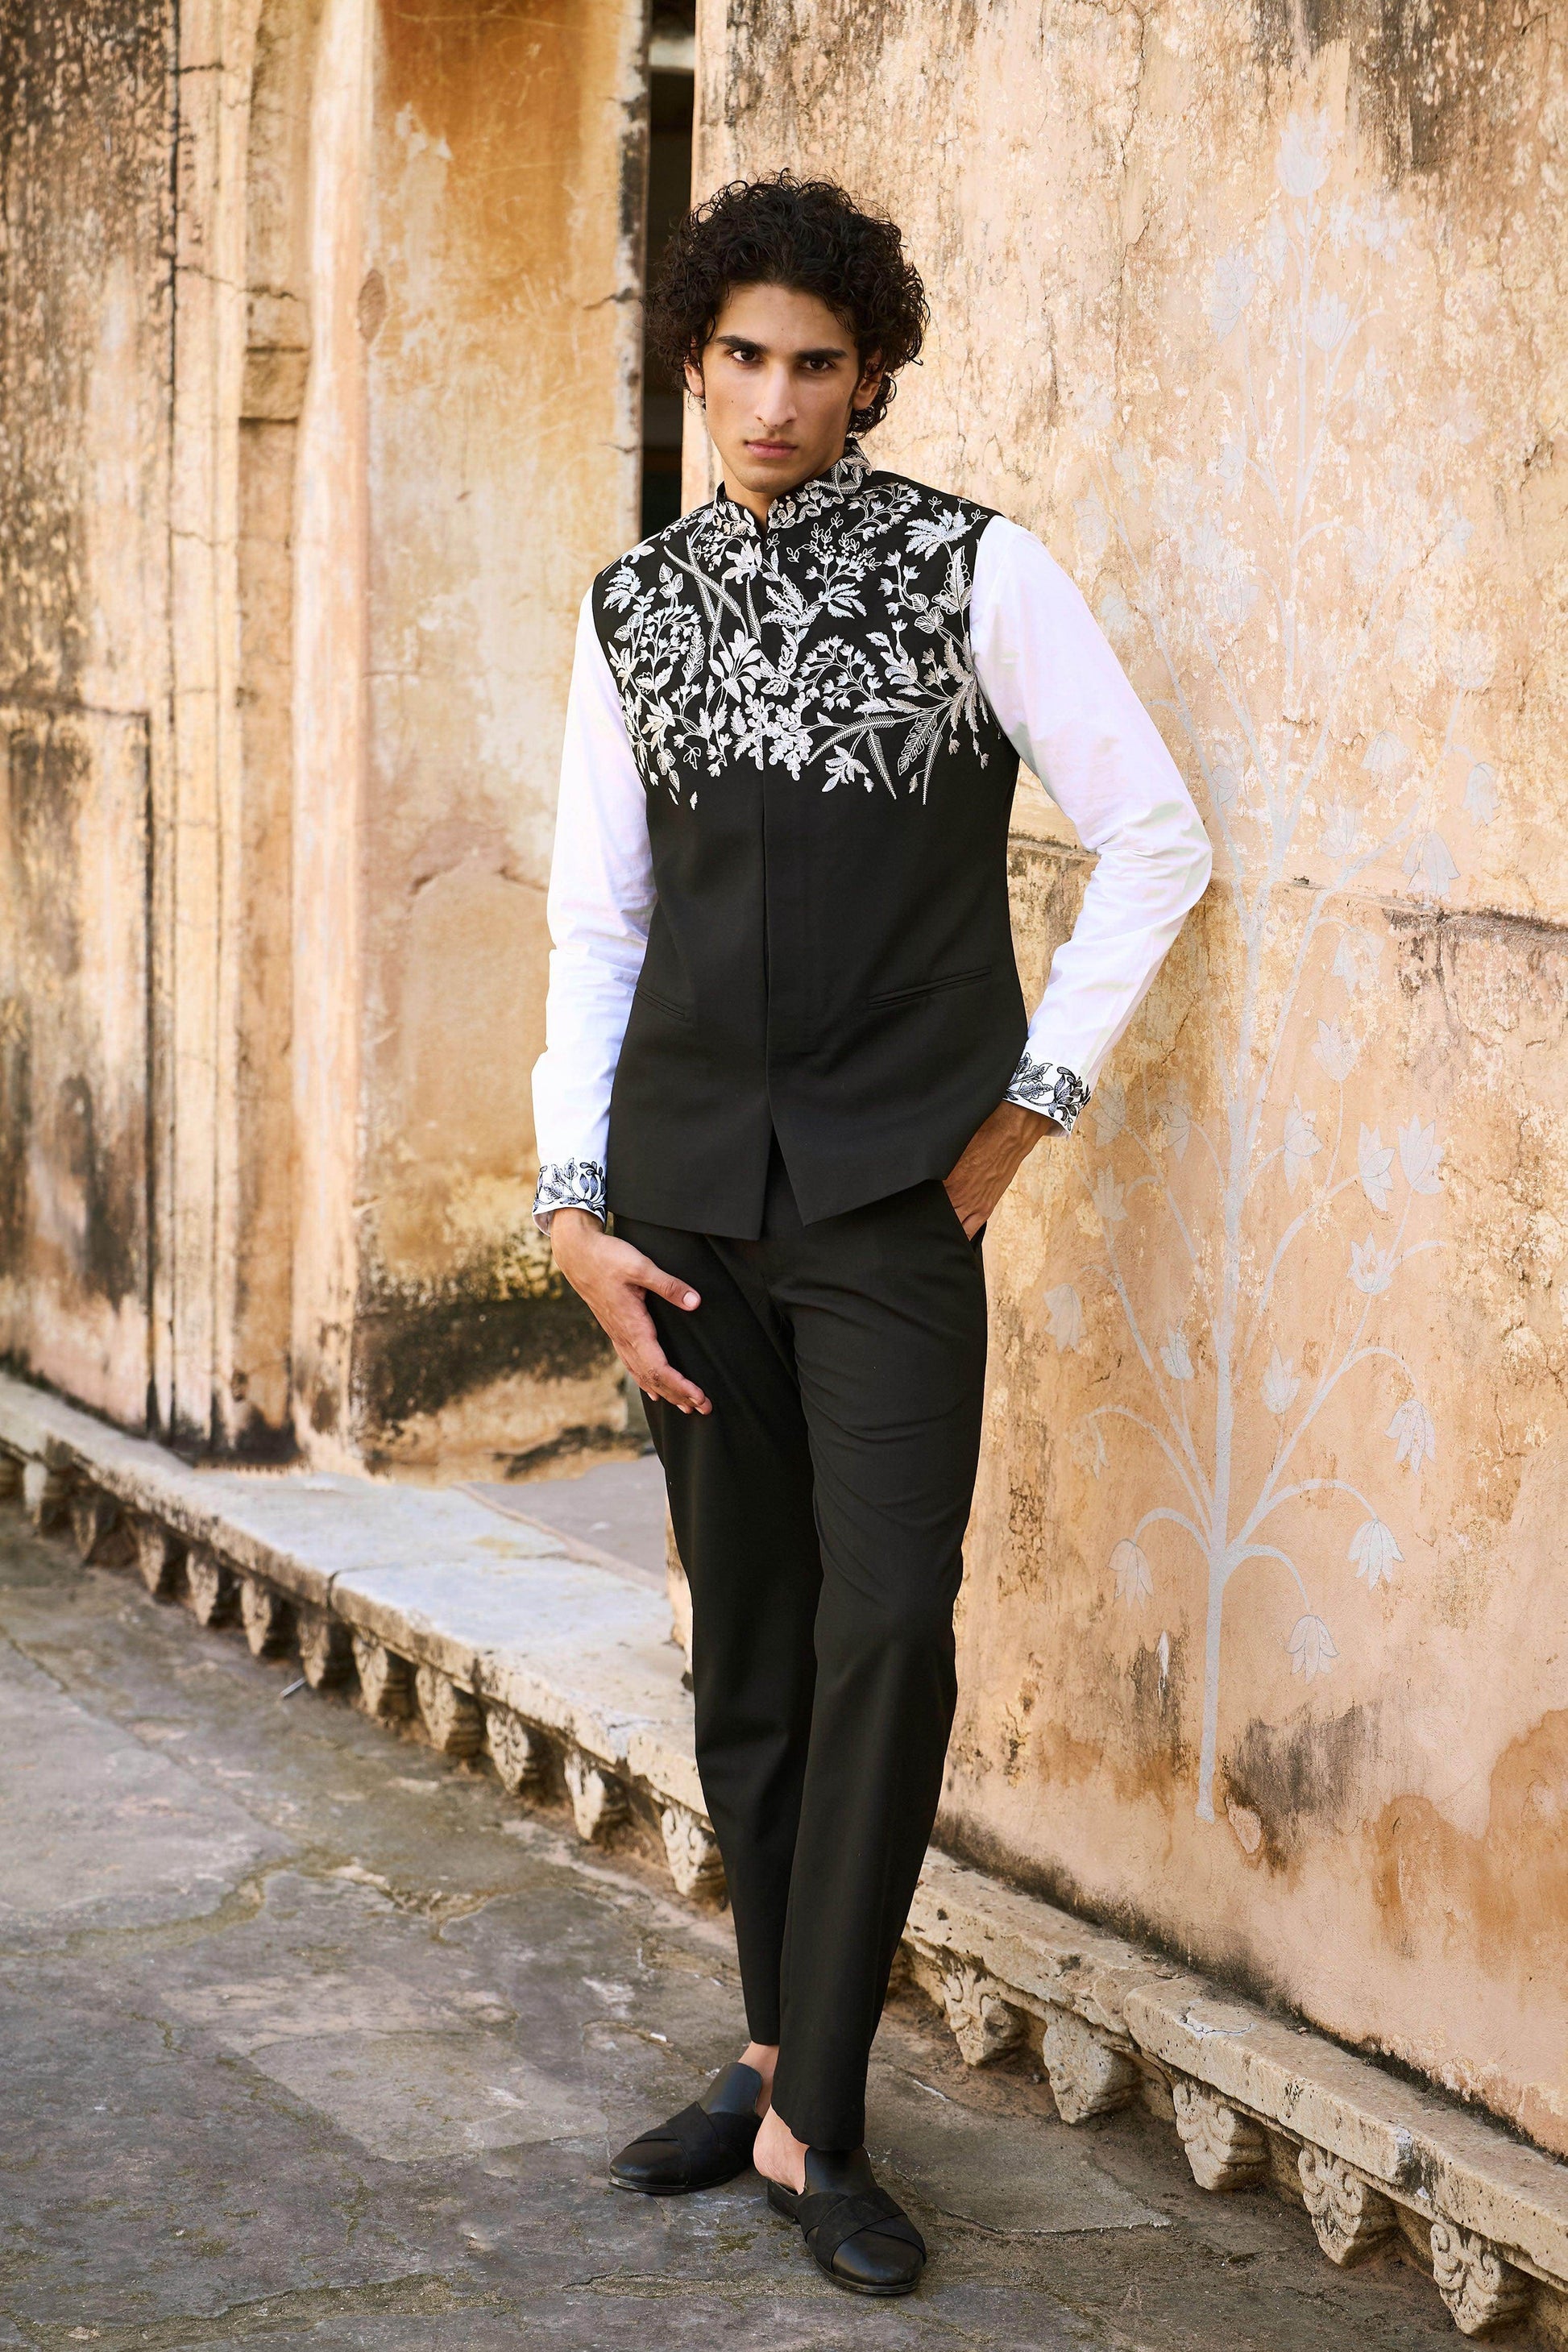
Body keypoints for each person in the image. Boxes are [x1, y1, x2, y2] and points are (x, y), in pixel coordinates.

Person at [530, 172, 1211, 2300]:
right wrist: (571, 1207)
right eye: (739, 355)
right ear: (693, 362)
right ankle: (774, 2070)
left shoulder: (973, 569)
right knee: (745, 1642)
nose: (771, 399)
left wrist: (1025, 1115)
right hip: (681, 1207)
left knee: (886, 1624)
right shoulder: (630, 609)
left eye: (813, 363)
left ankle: (814, 2112)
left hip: (895, 1203)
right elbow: (599, 925)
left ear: (870, 375)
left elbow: (1156, 835)